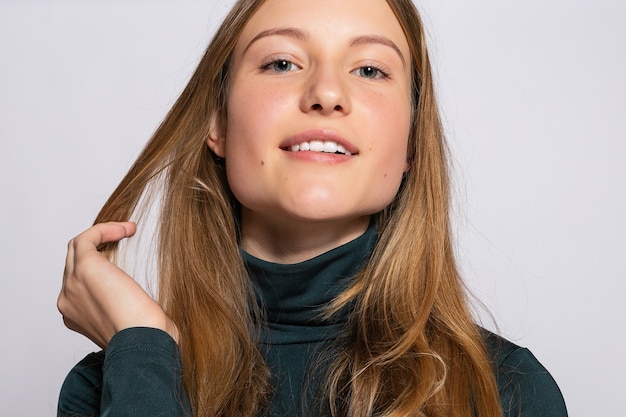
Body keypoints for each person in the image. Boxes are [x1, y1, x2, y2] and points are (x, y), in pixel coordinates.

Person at [57, 0, 568, 416]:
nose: (326, 92)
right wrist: (142, 350)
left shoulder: (506, 392)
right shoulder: (111, 385)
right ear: (218, 121)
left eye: (370, 69)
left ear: (411, 141)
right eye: (281, 63)